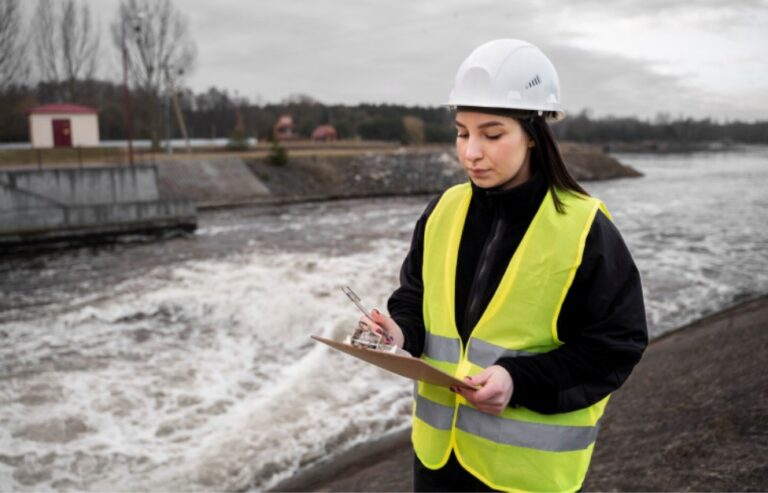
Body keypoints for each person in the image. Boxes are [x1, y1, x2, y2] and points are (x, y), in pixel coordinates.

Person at [362, 39, 648, 492]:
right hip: (437, 465)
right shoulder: (443, 210)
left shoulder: (583, 228)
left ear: (532, 134)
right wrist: (399, 333)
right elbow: (416, 297)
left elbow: (616, 344)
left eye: (492, 135)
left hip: (525, 477)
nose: (471, 152)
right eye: (462, 133)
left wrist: (518, 380)